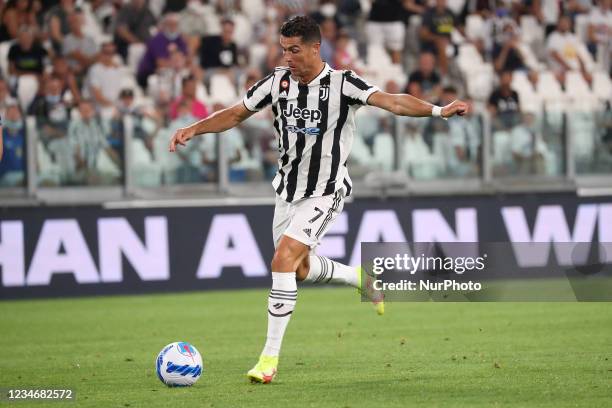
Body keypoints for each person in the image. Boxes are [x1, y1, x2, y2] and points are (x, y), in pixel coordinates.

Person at [168, 15, 468, 384]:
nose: (288, 57)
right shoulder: (276, 82)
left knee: (282, 260)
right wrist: (193, 129)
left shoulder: (344, 84)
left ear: (315, 47)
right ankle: (362, 278)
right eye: (283, 50)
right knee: (299, 269)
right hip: (287, 191)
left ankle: (268, 360)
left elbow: (393, 103)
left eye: (294, 50)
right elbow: (235, 113)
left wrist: (438, 110)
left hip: (326, 191)